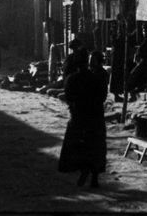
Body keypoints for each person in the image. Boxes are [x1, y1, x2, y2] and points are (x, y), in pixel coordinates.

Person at [58, 47, 108, 189]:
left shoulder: (71, 79)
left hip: (79, 116)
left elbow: (69, 98)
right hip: (95, 116)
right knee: (96, 147)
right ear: (87, 62)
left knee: (79, 147)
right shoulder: (97, 78)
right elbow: (103, 97)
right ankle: (94, 177)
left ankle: (83, 169)